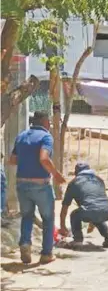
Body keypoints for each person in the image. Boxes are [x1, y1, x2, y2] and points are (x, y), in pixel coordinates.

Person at [9, 111, 66, 264]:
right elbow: (44, 158)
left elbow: (13, 160)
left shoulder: (21, 136)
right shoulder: (46, 137)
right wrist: (57, 174)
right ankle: (47, 253)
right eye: (49, 121)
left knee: (27, 215)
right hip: (41, 184)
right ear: (44, 121)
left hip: (21, 183)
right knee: (48, 218)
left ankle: (25, 243)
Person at [59, 163, 108, 248]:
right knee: (95, 213)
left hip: (92, 210)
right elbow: (96, 201)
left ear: (76, 173)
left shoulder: (74, 183)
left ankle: (77, 240)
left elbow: (65, 207)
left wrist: (62, 226)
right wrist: (92, 222)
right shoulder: (99, 179)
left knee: (75, 215)